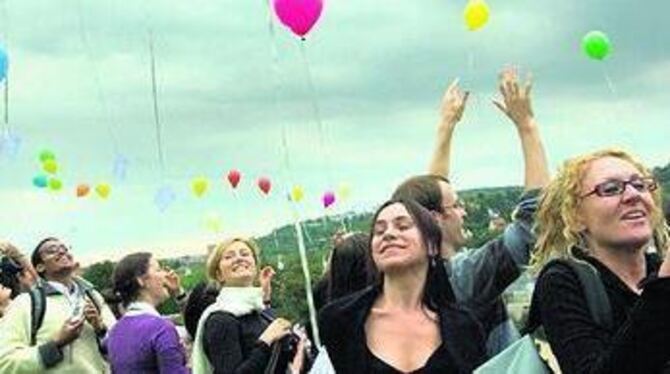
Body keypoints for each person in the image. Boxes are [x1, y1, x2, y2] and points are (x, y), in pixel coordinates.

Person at [391, 67, 550, 356]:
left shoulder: (417, 279)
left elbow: (429, 200)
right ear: (436, 219)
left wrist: (446, 126)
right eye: (458, 204)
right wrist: (527, 125)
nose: (464, 212)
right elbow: (533, 221)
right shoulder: (464, 280)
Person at [529, 148, 670, 373]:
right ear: (575, 217)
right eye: (611, 189)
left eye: (640, 185)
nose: (633, 195)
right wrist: (664, 287)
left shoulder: (658, 269)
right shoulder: (564, 282)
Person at [319, 199, 486, 373]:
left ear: (432, 246)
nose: (388, 234)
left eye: (403, 226)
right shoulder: (339, 320)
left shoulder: (464, 328)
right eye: (379, 231)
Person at [0, 237, 116, 373]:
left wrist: (100, 329)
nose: (62, 252)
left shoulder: (94, 297)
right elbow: (5, 363)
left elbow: (122, 348)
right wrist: (55, 343)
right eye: (52, 250)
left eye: (65, 249)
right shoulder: (27, 303)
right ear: (40, 267)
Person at [192, 237, 305, 374]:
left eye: (245, 254)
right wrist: (265, 342)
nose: (239, 259)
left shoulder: (258, 310)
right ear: (219, 274)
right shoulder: (220, 319)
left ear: (255, 267)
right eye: (229, 257)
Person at [106, 252, 189, 373]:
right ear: (141, 280)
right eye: (158, 270)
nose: (166, 275)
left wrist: (178, 293)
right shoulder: (161, 328)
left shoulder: (115, 331)